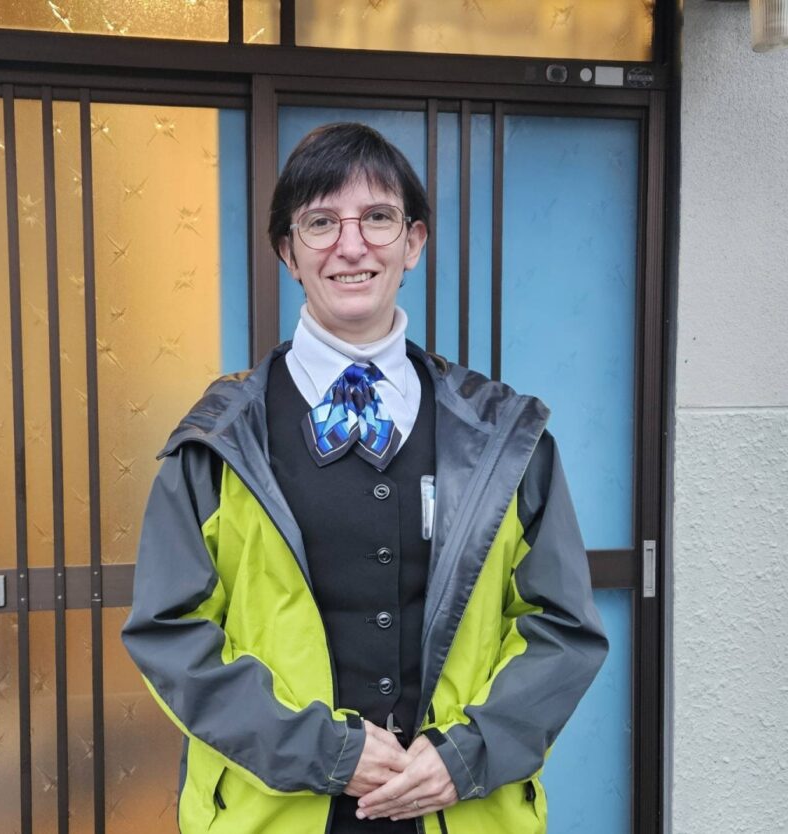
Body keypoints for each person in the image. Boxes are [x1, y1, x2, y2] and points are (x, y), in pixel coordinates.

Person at [122, 123, 608, 833]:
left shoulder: (506, 437)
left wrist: (468, 755)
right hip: (275, 812)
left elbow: (562, 628)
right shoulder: (219, 440)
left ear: (413, 241)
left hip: (458, 806)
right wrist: (321, 751)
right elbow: (170, 633)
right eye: (320, 223)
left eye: (377, 218)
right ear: (288, 252)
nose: (351, 246)